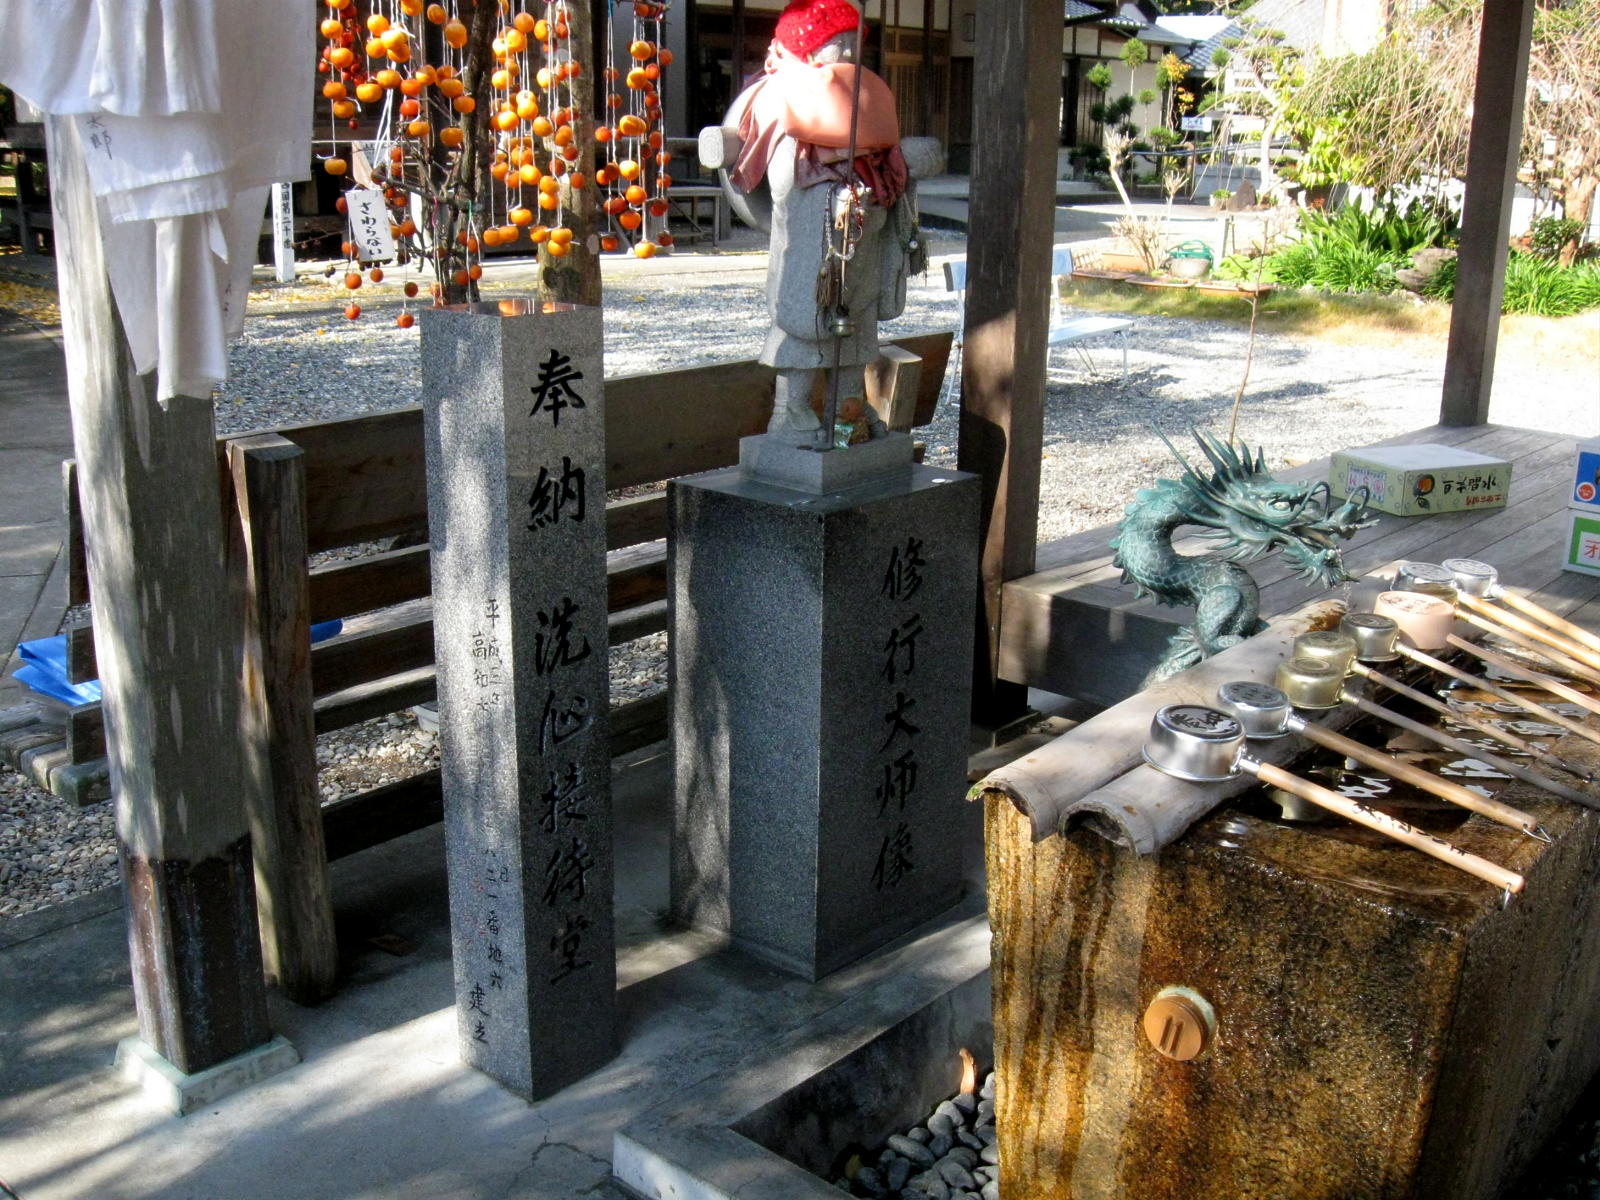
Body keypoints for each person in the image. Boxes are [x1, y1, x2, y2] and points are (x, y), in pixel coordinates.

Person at [708, 0, 938, 446]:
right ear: (808, 49)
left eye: (854, 44)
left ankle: (847, 407)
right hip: (814, 243)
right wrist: (833, 196)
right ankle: (789, 409)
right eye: (838, 43)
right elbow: (783, 179)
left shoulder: (862, 97)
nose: (849, 54)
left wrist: (904, 166)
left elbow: (885, 160)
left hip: (861, 243)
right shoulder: (784, 98)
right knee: (806, 324)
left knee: (857, 330)